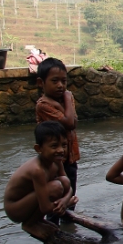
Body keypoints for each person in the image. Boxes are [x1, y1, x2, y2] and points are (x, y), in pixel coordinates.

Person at [3, 121, 78, 239]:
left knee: (64, 181)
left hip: (31, 203)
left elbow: (68, 187)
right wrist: (67, 203)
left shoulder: (57, 161)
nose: (61, 150)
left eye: (64, 145)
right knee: (56, 187)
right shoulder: (37, 170)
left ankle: (37, 220)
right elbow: (46, 207)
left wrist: (65, 200)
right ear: (39, 148)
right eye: (54, 146)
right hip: (15, 209)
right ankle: (30, 224)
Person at [35, 58, 80, 214]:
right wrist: (67, 99)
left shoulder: (66, 99)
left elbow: (74, 120)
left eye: (64, 81)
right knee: (55, 198)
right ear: (41, 83)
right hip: (53, 161)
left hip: (70, 158)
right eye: (55, 81)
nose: (61, 85)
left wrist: (66, 101)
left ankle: (70, 227)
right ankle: (54, 229)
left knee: (70, 196)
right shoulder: (43, 105)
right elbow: (69, 122)